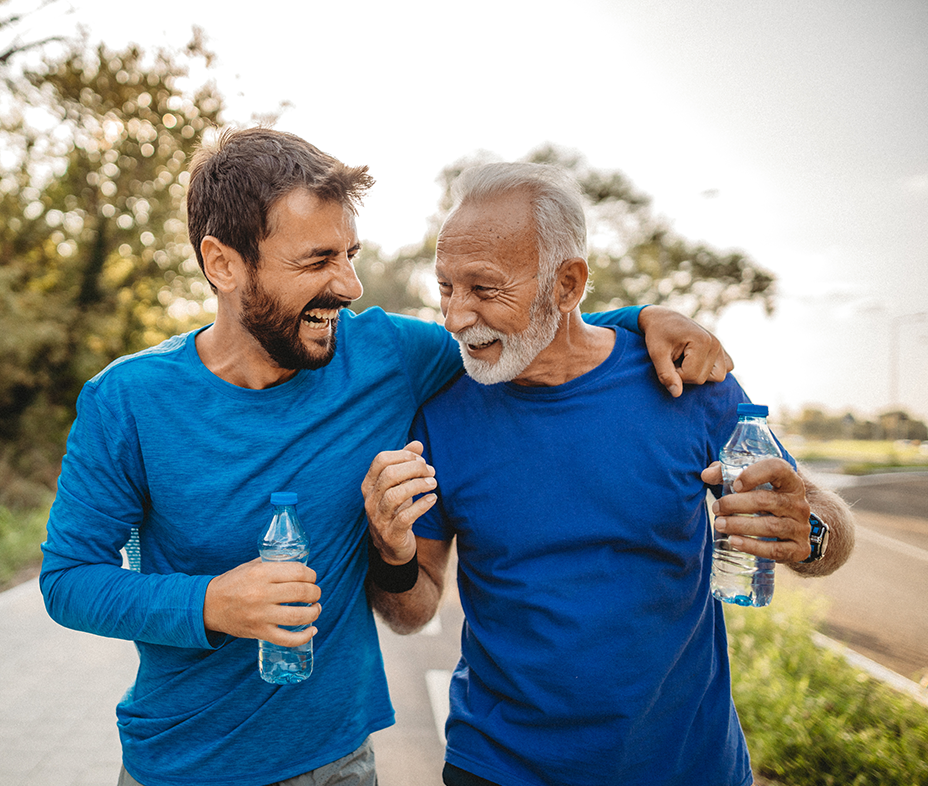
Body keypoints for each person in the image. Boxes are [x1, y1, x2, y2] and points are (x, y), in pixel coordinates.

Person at [40, 128, 736, 786]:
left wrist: (642, 319)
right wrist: (211, 602)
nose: (348, 286)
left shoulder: (388, 358)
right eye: (317, 261)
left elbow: (531, 333)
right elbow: (69, 580)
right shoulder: (127, 401)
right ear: (223, 263)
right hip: (181, 763)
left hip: (337, 759)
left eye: (350, 255)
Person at [362, 161, 854, 786]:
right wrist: (393, 551)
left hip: (688, 767)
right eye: (446, 288)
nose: (457, 316)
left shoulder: (686, 381)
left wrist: (809, 531)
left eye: (484, 290)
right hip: (499, 767)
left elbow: (826, 531)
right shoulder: (442, 415)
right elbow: (412, 609)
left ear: (567, 286)